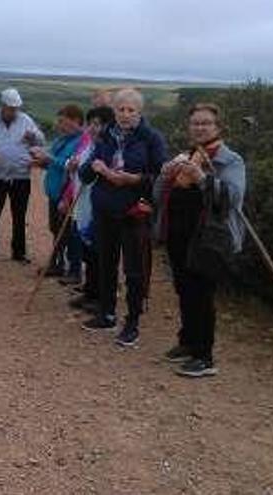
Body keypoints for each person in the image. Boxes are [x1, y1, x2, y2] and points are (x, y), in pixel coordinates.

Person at [154, 103, 246, 377]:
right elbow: (159, 195)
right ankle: (187, 341)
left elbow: (231, 198)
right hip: (179, 235)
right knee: (184, 289)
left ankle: (204, 357)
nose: (200, 127)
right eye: (195, 123)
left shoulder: (230, 161)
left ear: (218, 127)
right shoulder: (187, 155)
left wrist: (203, 178)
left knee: (202, 294)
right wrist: (165, 173)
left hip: (208, 239)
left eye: (206, 123)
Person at [80, 88, 167, 347]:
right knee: (106, 262)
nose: (126, 114)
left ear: (140, 112)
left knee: (134, 269)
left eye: (131, 110)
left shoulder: (152, 139)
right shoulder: (105, 136)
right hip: (105, 210)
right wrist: (90, 167)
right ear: (114, 111)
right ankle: (106, 313)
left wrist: (135, 179)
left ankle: (132, 322)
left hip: (134, 213)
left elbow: (161, 178)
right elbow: (86, 176)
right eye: (121, 109)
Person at [0, 88, 44, 263]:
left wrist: (34, 135)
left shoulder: (26, 120)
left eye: (16, 108)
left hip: (21, 176)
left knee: (19, 216)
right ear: (2, 106)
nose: (13, 111)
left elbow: (41, 140)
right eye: (10, 108)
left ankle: (19, 253)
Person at [69, 105, 115, 313]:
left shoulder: (109, 146)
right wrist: (73, 165)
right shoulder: (90, 145)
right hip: (84, 203)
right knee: (88, 251)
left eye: (100, 124)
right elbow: (80, 169)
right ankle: (90, 291)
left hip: (99, 205)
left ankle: (100, 297)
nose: (95, 128)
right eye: (92, 124)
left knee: (98, 253)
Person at [31, 105, 85, 279]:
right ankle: (57, 263)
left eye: (62, 121)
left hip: (66, 194)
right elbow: (54, 163)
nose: (59, 125)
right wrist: (40, 162)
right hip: (55, 193)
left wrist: (49, 158)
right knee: (56, 229)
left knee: (68, 232)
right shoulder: (62, 139)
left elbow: (70, 165)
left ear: (76, 120)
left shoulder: (81, 141)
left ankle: (73, 269)